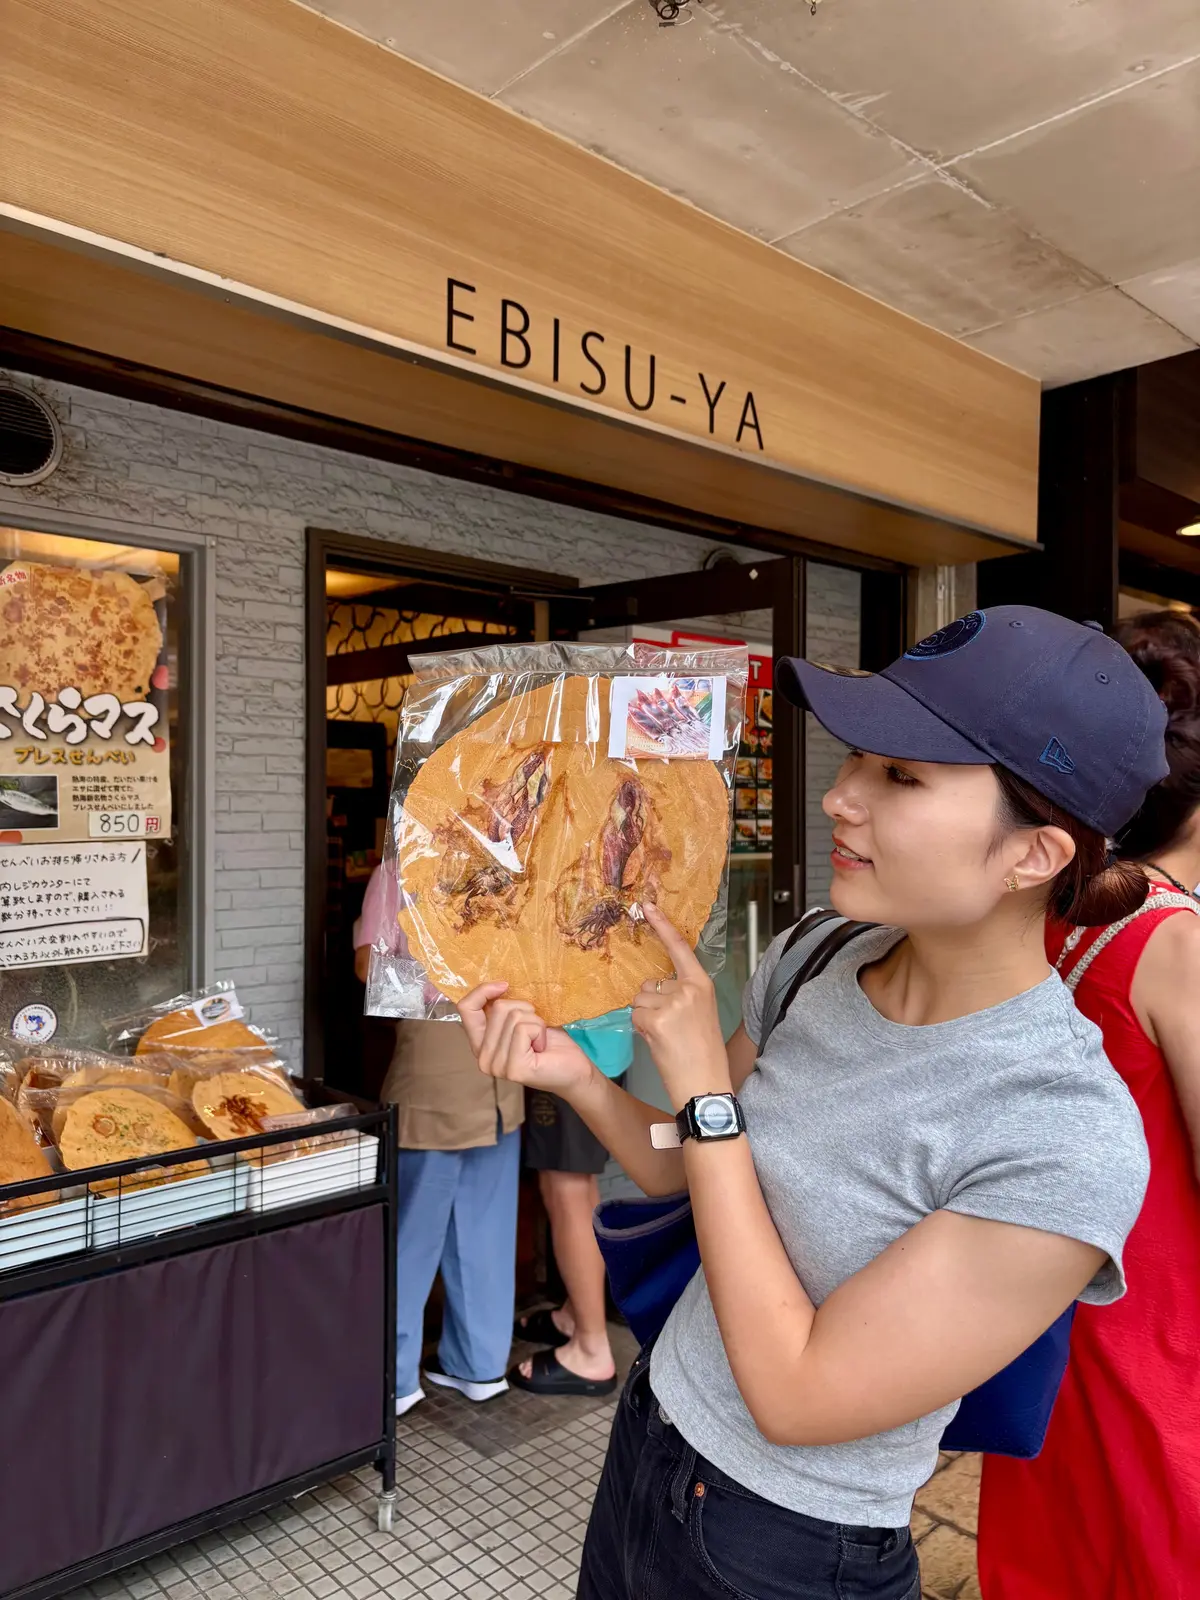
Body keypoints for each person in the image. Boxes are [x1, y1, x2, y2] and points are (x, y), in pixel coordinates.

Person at [455, 606, 1159, 1600]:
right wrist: (572, 1074)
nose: (839, 797)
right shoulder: (821, 952)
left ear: (1034, 856)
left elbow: (798, 1391)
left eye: (901, 777)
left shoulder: (1062, 1133)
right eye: (857, 760)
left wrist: (703, 1088)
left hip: (784, 1550)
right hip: (649, 1448)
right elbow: (680, 1165)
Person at [978, 614, 1200, 1600]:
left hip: (1041, 1310)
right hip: (1158, 1332)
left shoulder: (1061, 905)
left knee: (1049, 1556)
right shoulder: (1176, 941)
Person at [354, 863, 523, 1415]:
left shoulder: (404, 869)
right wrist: (453, 987)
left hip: (470, 1064)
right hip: (491, 1059)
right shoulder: (506, 864)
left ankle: (405, 1377)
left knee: (420, 1232)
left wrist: (437, 991)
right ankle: (473, 1366)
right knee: (478, 1225)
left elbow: (367, 964)